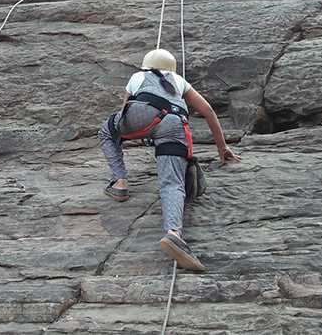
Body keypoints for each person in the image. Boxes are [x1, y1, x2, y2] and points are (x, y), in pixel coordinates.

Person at [97, 48, 240, 271]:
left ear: (146, 66)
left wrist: (143, 133)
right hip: (174, 122)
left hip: (141, 115)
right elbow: (208, 111)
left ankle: (120, 182)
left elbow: (124, 111)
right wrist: (222, 148)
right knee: (172, 183)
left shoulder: (138, 76)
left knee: (107, 132)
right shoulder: (179, 80)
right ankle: (174, 233)